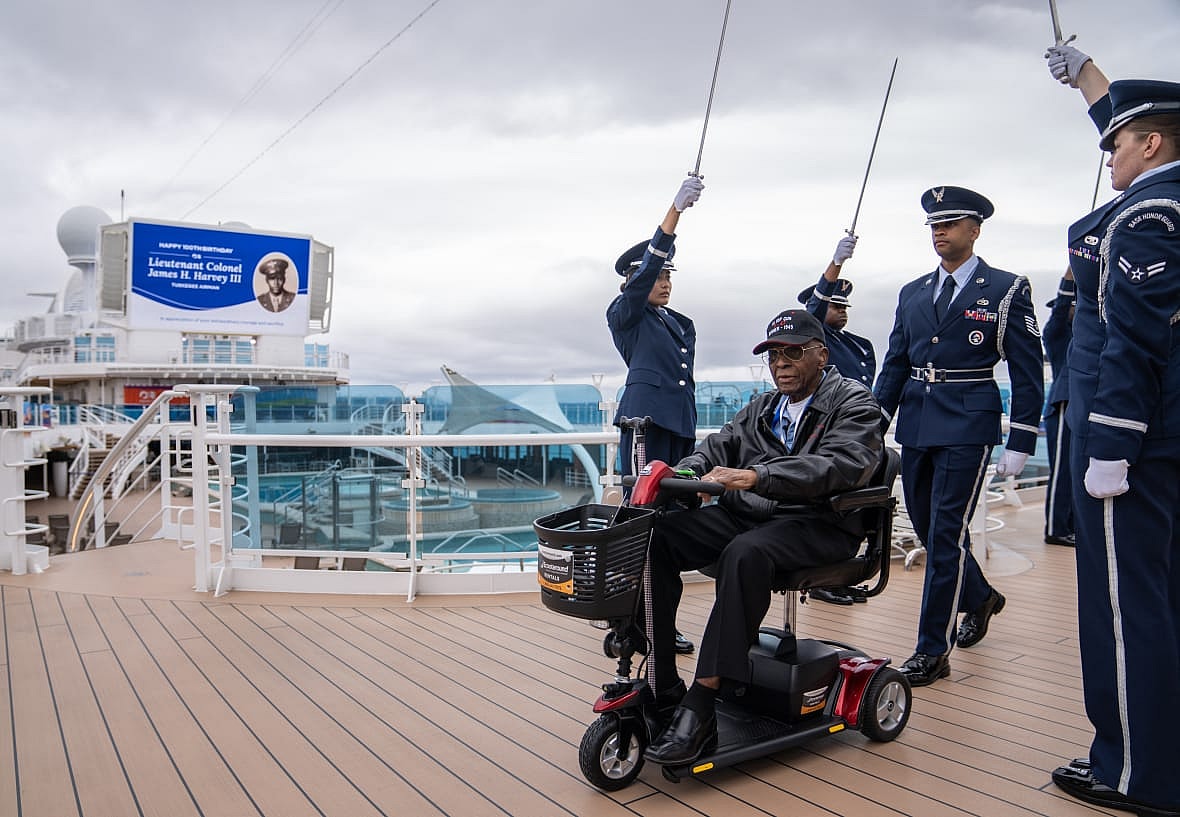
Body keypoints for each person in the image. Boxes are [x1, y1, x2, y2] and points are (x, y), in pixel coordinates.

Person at [642, 309, 883, 765]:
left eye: (793, 352)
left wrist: (758, 475)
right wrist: (688, 471)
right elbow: (718, 444)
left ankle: (702, 701)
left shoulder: (855, 404)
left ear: (822, 355)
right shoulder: (762, 406)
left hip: (818, 522)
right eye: (774, 354)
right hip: (754, 516)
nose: (781, 363)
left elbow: (842, 464)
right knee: (658, 537)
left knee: (744, 553)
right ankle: (665, 680)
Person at [1042, 42, 1180, 816]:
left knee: (1125, 613)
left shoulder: (1149, 214)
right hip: (1166, 442)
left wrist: (1110, 451)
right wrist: (1091, 82)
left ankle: (1137, 774)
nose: (1109, 155)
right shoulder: (1170, 192)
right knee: (1160, 603)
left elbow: (1135, 341)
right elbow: (1136, 120)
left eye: (1118, 143)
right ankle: (1160, 754)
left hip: (1134, 447)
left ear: (1151, 144)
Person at [873, 186, 1044, 687]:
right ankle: (982, 597)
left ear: (975, 229)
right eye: (933, 225)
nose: (939, 232)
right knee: (929, 530)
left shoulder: (1007, 288)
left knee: (945, 534)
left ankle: (932, 650)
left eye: (950, 223)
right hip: (918, 420)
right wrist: (871, 426)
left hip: (970, 422)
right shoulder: (912, 292)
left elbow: (1028, 370)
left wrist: (1022, 440)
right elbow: (896, 363)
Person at [607, 174, 705, 655]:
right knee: (639, 522)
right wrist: (674, 212)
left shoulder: (676, 322)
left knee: (666, 528)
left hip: (677, 430)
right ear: (635, 280)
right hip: (645, 430)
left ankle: (657, 621)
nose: (664, 283)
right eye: (657, 276)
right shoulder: (625, 313)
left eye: (669, 277)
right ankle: (629, 622)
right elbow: (645, 275)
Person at [799, 233, 878, 605]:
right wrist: (836, 263)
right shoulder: (816, 339)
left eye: (844, 306)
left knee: (854, 511)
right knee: (827, 511)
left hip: (859, 438)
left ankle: (839, 573)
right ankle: (821, 579)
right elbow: (814, 310)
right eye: (834, 305)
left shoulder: (861, 346)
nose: (841, 311)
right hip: (828, 439)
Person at [1042, 269, 1076, 547]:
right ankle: (1055, 528)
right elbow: (1061, 307)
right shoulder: (1057, 336)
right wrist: (1070, 276)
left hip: (1083, 404)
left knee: (1077, 468)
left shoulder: (1087, 335)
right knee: (1062, 468)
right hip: (1064, 402)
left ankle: (1072, 523)